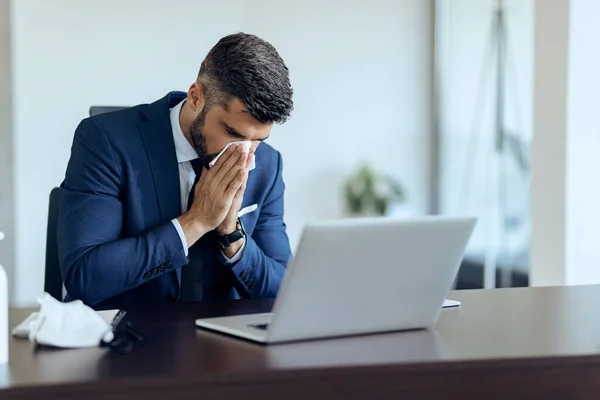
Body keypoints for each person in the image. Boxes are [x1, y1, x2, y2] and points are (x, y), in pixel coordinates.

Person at [57, 32, 294, 309]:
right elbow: (84, 277)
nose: (245, 153)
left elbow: (283, 290)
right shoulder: (105, 140)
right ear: (195, 97)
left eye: (259, 140)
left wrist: (231, 234)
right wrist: (196, 222)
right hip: (127, 338)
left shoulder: (267, 164)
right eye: (232, 133)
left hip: (223, 345)